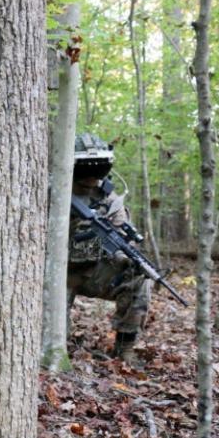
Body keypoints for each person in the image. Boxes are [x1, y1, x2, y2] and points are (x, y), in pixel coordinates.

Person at [67, 133, 152, 363]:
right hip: (56, 273)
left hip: (92, 271)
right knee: (55, 337)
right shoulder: (55, 188)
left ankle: (125, 349)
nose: (91, 175)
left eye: (98, 168)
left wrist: (123, 255)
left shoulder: (109, 198)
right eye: (86, 167)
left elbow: (122, 234)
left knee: (137, 276)